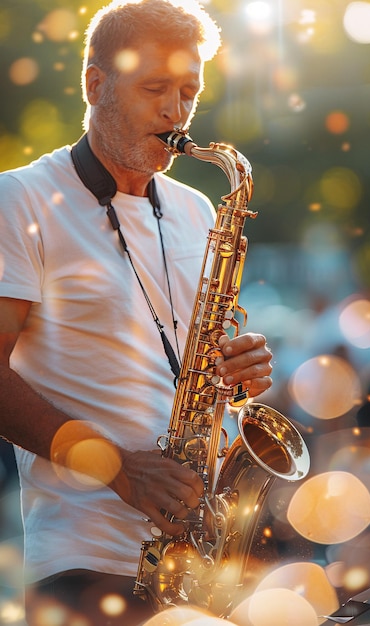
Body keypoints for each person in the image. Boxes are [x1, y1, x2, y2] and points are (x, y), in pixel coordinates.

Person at [0, 1, 273, 624]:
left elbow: (187, 365)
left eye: (188, 92)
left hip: (194, 567)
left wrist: (239, 373)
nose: (176, 112)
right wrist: (120, 470)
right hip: (82, 562)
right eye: (155, 88)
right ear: (96, 84)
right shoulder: (19, 199)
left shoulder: (200, 211)